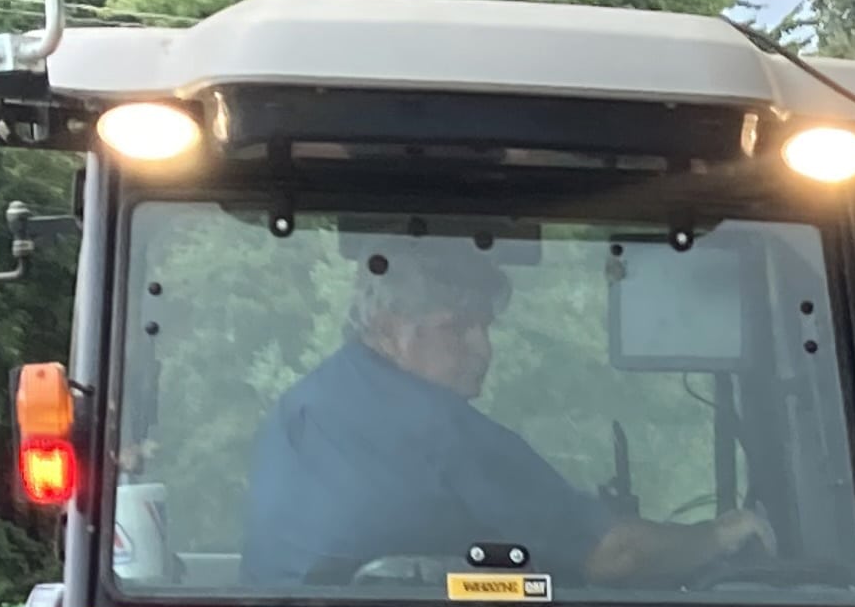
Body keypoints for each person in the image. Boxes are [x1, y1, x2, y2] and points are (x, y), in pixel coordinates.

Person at [241, 236, 773, 588]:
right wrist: (718, 537)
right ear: (386, 328)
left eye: (486, 327)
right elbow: (615, 555)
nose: (483, 348)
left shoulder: (300, 410)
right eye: (457, 327)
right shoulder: (440, 430)